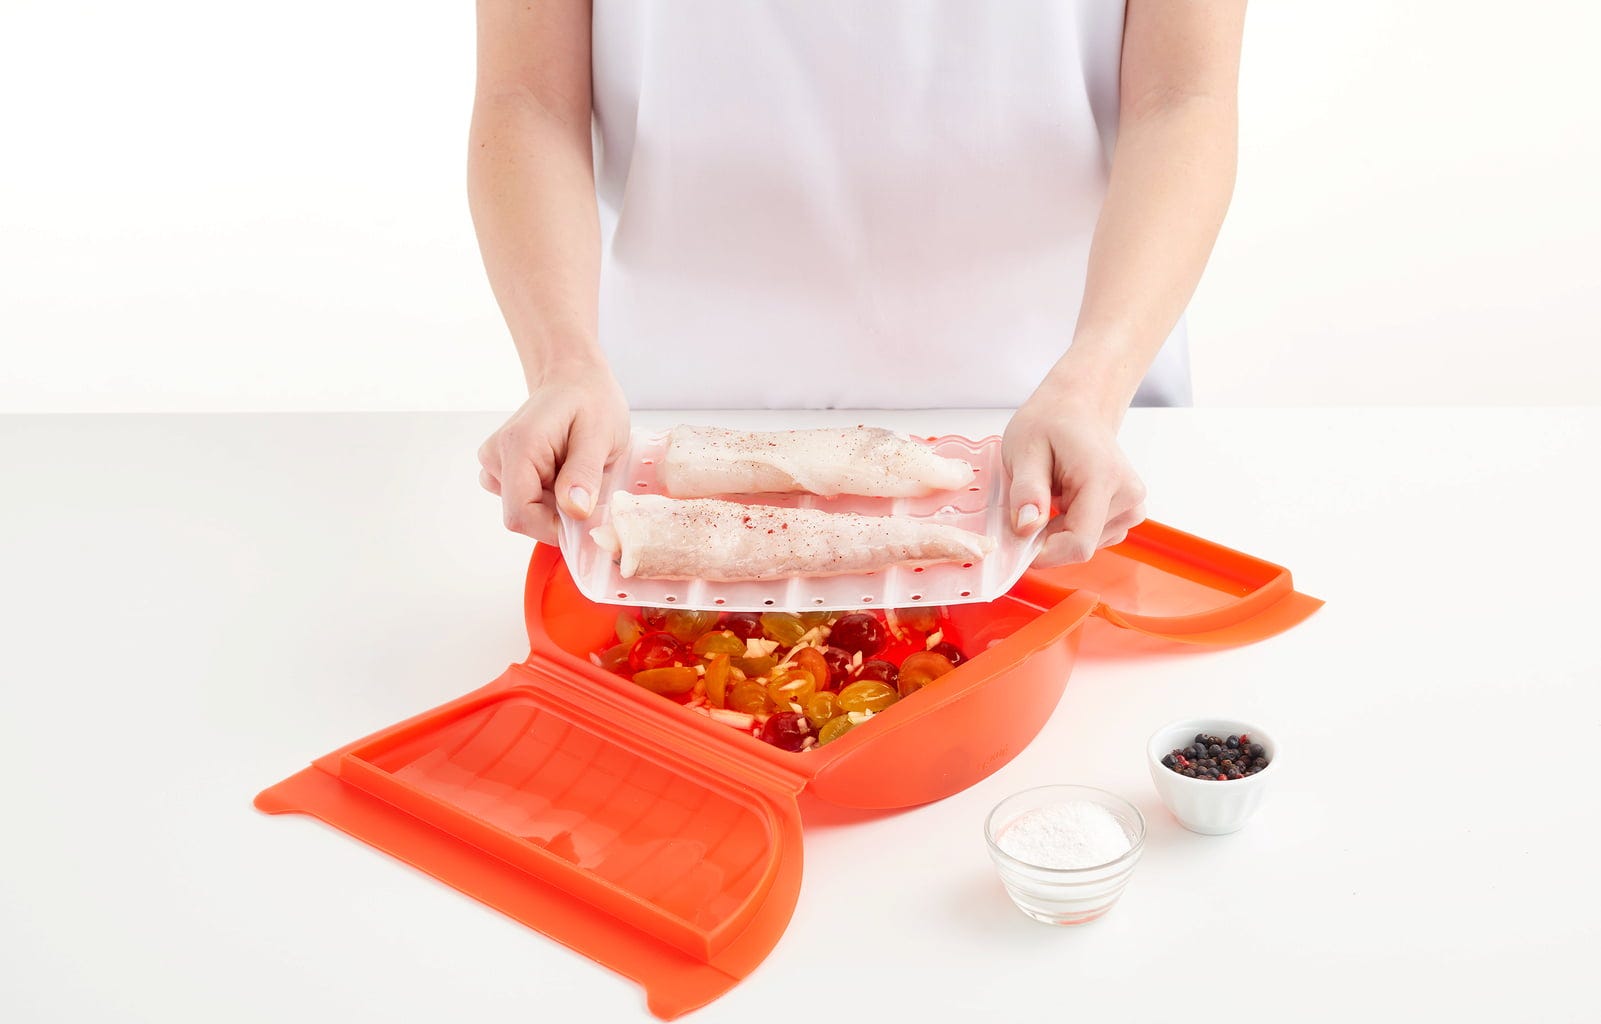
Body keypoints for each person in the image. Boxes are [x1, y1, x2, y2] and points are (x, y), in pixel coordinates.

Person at [470, 1, 1245, 566]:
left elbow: (1183, 96)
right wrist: (562, 362)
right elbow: (528, 95)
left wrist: (1092, 384)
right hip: (664, 443)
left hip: (1071, 434)